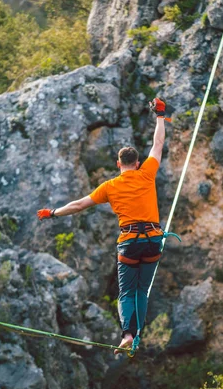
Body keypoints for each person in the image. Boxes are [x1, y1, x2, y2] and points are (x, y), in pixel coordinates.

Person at [37, 97, 167, 354]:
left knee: (126, 293)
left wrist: (53, 212)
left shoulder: (109, 186)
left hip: (129, 244)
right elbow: (158, 143)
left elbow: (78, 205)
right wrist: (160, 116)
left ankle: (128, 334)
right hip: (153, 240)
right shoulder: (147, 172)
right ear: (137, 163)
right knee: (142, 290)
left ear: (119, 164)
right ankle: (137, 334)